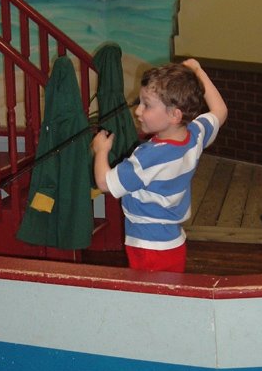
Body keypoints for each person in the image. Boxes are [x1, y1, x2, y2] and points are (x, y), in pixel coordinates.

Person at [92, 59, 227, 272]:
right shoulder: (195, 136)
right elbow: (220, 110)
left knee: (149, 293)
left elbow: (104, 183)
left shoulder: (149, 157)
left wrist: (101, 151)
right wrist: (198, 70)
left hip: (147, 247)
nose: (138, 111)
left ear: (175, 115)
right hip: (173, 243)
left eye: (147, 105)